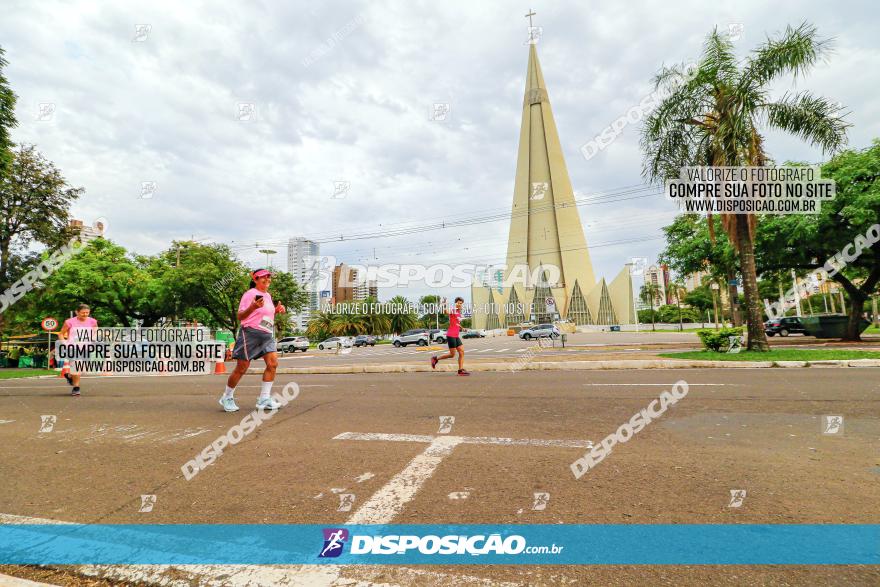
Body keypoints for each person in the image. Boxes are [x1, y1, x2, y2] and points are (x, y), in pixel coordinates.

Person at [219, 269, 286, 412]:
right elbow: (240, 316)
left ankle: (264, 399)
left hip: (266, 335)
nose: (267, 279)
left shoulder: (267, 296)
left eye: (269, 277)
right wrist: (252, 306)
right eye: (264, 277)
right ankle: (227, 396)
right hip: (250, 333)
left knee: (273, 364)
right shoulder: (249, 294)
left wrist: (276, 309)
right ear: (255, 279)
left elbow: (265, 313)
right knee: (242, 368)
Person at [59, 304, 98, 396]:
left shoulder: (92, 321)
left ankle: (69, 376)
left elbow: (96, 330)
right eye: (83, 313)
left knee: (83, 368)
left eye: (87, 313)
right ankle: (76, 388)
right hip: (73, 347)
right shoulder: (69, 322)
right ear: (77, 312)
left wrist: (93, 338)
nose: (85, 314)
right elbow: (61, 334)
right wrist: (64, 343)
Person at [431, 296, 469, 376]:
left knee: (461, 352)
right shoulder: (453, 310)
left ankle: (460, 370)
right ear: (456, 303)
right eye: (458, 303)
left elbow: (457, 323)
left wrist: (462, 328)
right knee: (452, 355)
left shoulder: (458, 313)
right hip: (451, 335)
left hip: (456, 335)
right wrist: (444, 304)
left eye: (461, 303)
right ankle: (435, 359)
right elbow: (446, 312)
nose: (459, 304)